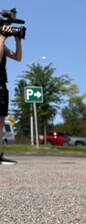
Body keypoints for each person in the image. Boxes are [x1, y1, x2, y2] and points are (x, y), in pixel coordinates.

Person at [0, 25, 21, 166]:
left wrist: (18, 40)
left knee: (1, 123)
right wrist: (2, 38)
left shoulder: (1, 44)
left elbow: (17, 57)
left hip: (1, 85)